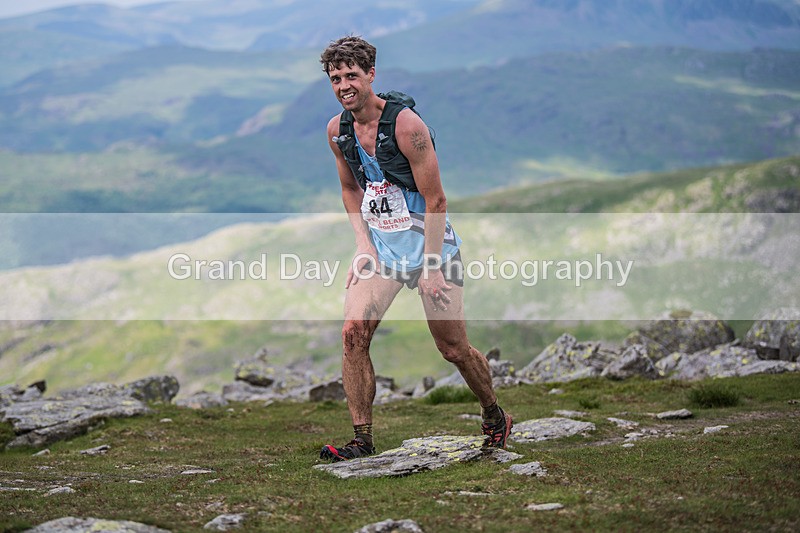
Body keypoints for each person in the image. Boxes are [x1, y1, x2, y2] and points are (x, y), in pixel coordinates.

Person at [318, 36, 512, 462]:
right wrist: (363, 244)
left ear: (371, 75)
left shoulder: (408, 127)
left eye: (352, 75)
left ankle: (494, 414)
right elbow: (350, 188)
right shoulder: (338, 131)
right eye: (336, 78)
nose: (344, 85)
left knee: (453, 349)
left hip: (433, 250)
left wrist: (430, 267)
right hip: (383, 251)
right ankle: (361, 440)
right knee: (353, 334)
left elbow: (437, 199)